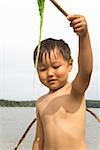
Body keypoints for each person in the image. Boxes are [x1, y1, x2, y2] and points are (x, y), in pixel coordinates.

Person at [32, 14, 93, 150]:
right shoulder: (40, 102)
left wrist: (83, 36)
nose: (50, 73)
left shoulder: (75, 91)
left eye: (56, 67)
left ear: (70, 64)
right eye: (42, 69)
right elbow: (39, 139)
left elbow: (86, 70)